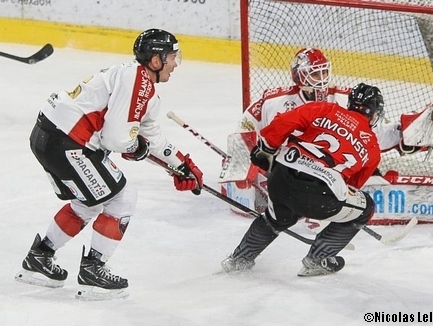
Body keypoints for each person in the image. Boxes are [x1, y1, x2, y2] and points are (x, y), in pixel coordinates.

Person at [14, 28, 203, 299]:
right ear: (156, 60)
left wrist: (181, 164)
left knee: (90, 200)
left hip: (48, 136)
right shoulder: (138, 81)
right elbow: (117, 139)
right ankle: (93, 271)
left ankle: (40, 258)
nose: (175, 64)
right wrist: (135, 148)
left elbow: (149, 138)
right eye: (172, 57)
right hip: (69, 142)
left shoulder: (135, 81)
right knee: (123, 198)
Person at [221, 47, 403, 229]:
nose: (322, 78)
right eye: (315, 74)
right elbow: (245, 130)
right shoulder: (273, 100)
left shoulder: (338, 98)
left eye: (324, 72)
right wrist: (245, 164)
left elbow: (371, 135)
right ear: (298, 75)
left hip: (319, 173)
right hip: (284, 167)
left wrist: (401, 135)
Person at [221, 82, 384, 276]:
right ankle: (318, 258)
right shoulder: (372, 147)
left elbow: (284, 122)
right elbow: (350, 188)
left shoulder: (325, 108)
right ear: (374, 114)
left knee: (275, 219)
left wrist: (267, 149)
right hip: (318, 195)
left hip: (281, 178)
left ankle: (239, 259)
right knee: (366, 209)